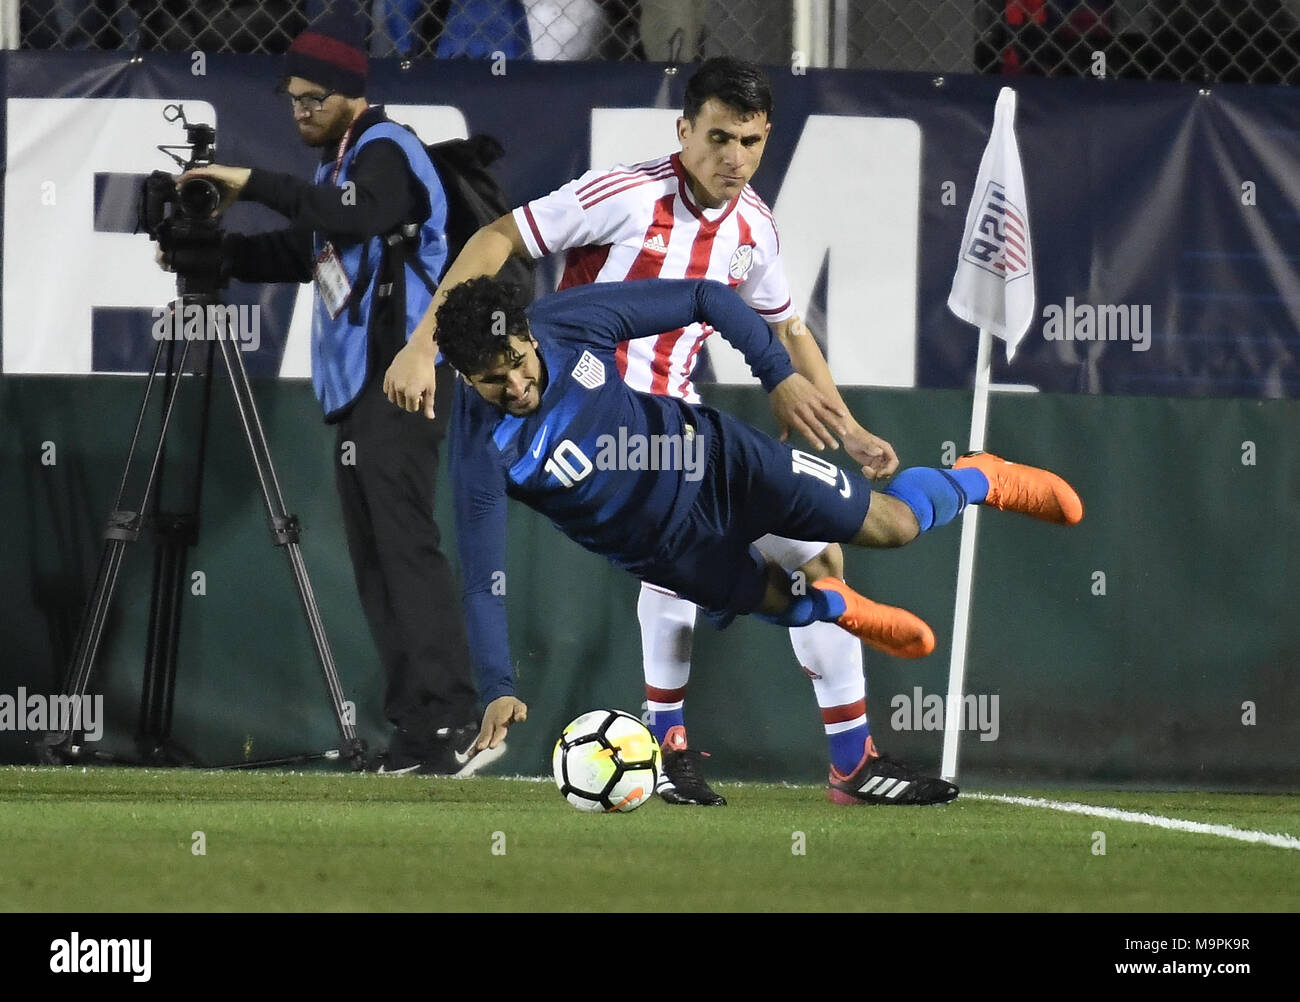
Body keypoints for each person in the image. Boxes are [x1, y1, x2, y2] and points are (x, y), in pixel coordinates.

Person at [383, 56, 921, 806]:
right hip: (593, 416)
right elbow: (499, 237)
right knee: (686, 556)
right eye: (720, 138)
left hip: (676, 420)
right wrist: (422, 343)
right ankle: (691, 743)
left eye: (753, 141)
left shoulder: (754, 230)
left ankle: (839, 762)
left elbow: (787, 328)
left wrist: (848, 426)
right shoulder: (626, 195)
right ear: (684, 130)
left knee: (817, 558)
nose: (735, 158)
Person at [440, 275, 1084, 805]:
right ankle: (837, 609)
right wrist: (498, 684)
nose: (517, 387)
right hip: (670, 551)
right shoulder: (479, 453)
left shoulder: (568, 321)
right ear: (466, 379)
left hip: (722, 462)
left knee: (897, 527)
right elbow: (481, 576)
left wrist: (778, 375)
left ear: (526, 334)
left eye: (518, 364)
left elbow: (704, 298)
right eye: (493, 382)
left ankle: (977, 476)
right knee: (789, 602)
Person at [173, 10, 496, 775]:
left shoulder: (387, 150)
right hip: (362, 386)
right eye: (292, 100)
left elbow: (363, 214)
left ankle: (452, 723)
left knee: (405, 548)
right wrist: (215, 254)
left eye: (314, 99)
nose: (300, 113)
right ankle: (417, 732)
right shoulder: (336, 167)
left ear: (352, 94)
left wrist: (250, 183)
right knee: (377, 558)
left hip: (406, 377)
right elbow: (310, 247)